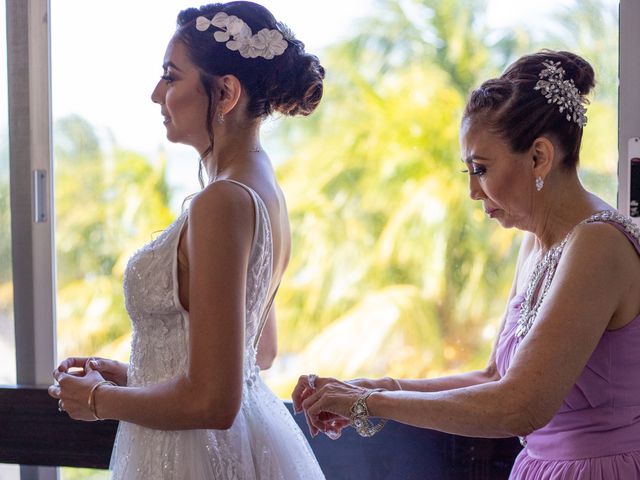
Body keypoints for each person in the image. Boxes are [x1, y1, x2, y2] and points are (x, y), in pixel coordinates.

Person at [293, 50, 640, 479]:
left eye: (481, 168)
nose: (474, 192)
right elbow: (496, 374)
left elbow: (518, 406)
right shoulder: (535, 243)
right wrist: (377, 386)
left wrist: (369, 405)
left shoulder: (599, 244)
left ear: (539, 157)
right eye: (468, 172)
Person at [48, 2, 326, 478]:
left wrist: (98, 399)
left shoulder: (222, 202)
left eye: (171, 76)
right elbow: (257, 352)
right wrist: (140, 375)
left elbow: (213, 401)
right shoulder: (265, 189)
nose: (156, 93)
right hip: (248, 440)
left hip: (196, 457)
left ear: (226, 92)